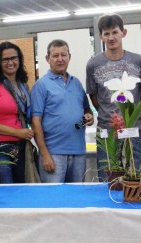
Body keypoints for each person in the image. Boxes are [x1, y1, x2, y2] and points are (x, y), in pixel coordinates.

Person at [86, 13, 141, 182]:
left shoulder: (138, 61)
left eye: (115, 32)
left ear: (124, 32)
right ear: (101, 36)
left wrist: (131, 115)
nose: (111, 37)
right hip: (107, 129)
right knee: (109, 180)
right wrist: (110, 114)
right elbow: (94, 97)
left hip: (135, 128)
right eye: (106, 34)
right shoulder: (93, 64)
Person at [31, 39, 94, 183]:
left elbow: (86, 109)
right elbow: (35, 122)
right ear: (48, 59)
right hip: (53, 154)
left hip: (78, 152)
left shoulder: (76, 83)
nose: (60, 59)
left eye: (64, 55)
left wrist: (89, 116)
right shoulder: (41, 85)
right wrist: (44, 154)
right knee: (54, 200)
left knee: (77, 199)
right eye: (55, 55)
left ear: (69, 57)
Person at [0, 41, 35, 183]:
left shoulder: (22, 85)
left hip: (21, 146)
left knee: (22, 192)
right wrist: (16, 132)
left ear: (19, 60)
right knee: (5, 191)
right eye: (5, 59)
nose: (10, 62)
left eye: (14, 58)